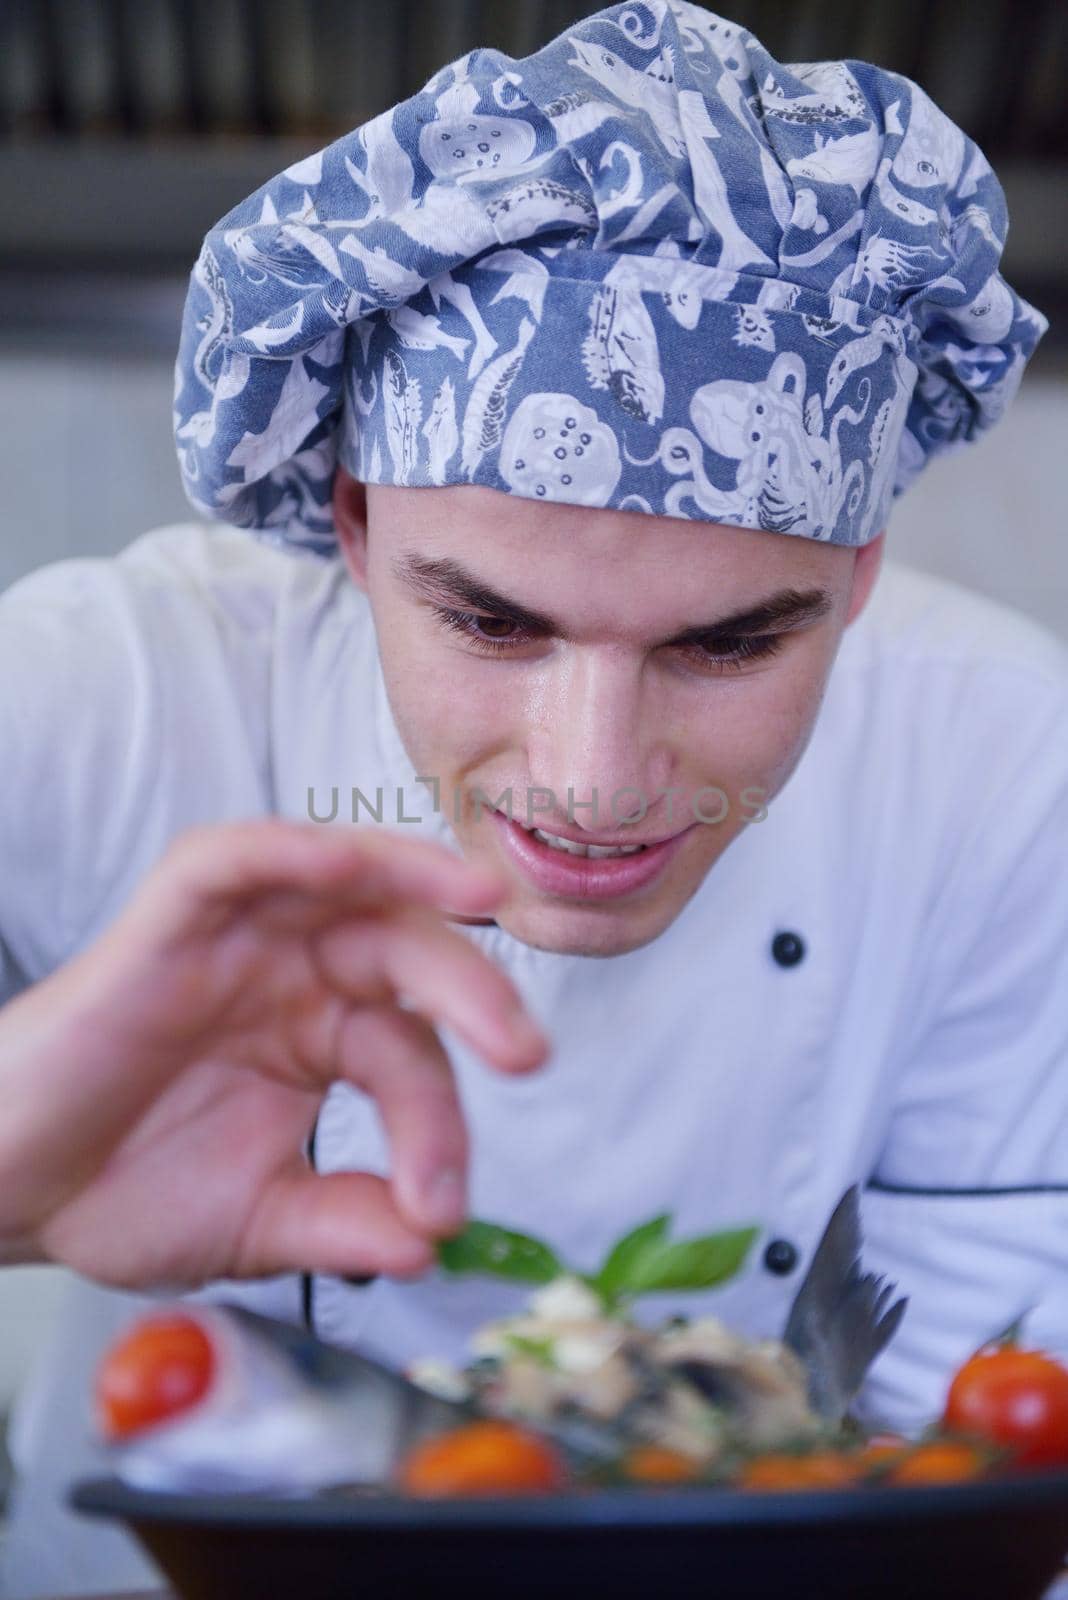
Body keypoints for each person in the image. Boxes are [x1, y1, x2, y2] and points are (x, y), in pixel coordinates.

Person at [1, 2, 1065, 1592]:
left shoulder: (1001, 761)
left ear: (855, 577)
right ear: (355, 522)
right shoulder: (98, 696)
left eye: (728, 643)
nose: (591, 780)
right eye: (491, 623)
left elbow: (965, 1450)